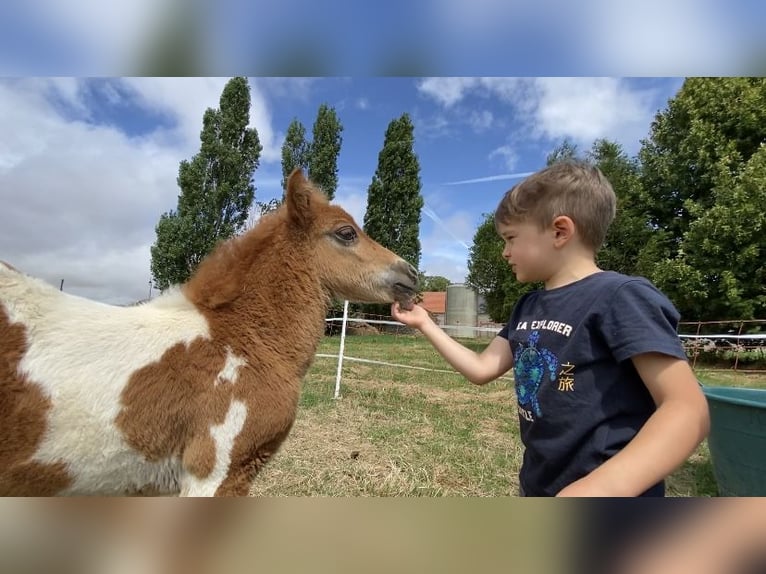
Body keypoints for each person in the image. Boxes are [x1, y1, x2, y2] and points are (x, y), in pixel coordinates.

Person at [391, 161, 710, 497]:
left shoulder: (621, 297)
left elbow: (687, 409)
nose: (505, 252)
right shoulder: (527, 306)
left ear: (560, 231)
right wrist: (425, 323)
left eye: (511, 238)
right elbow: (482, 369)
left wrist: (602, 488)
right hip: (539, 486)